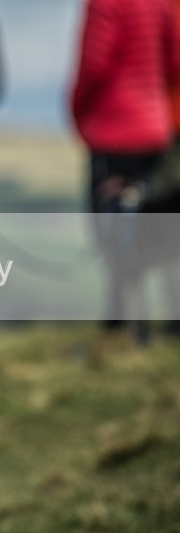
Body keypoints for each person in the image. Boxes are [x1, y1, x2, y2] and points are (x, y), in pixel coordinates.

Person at [71, 0, 179, 338]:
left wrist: (80, 113)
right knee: (158, 226)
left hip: (113, 130)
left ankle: (125, 325)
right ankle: (163, 322)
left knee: (113, 231)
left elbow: (93, 65)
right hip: (155, 129)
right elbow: (175, 60)